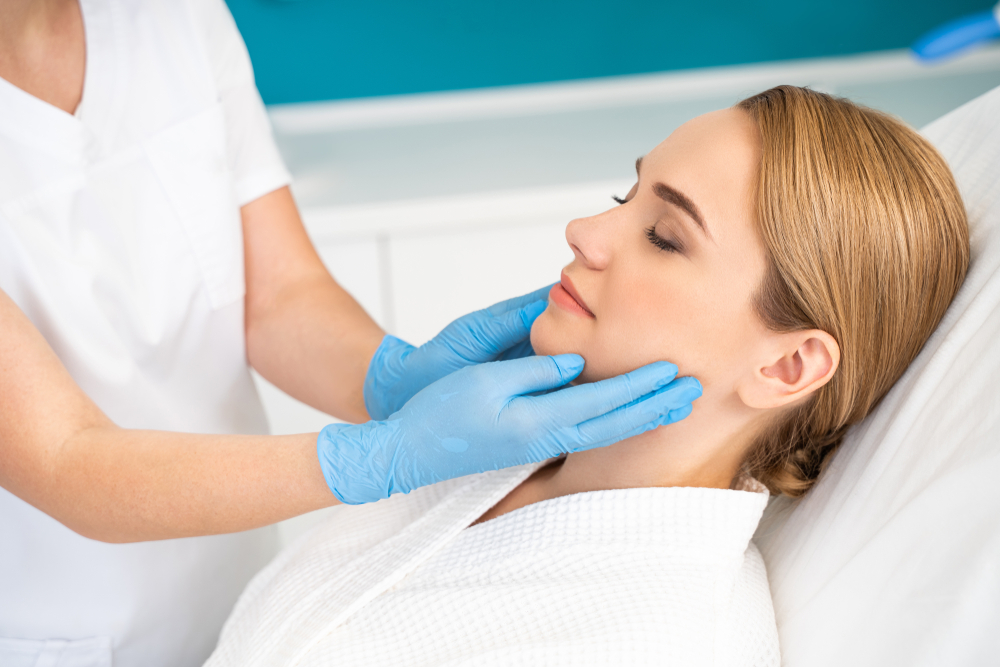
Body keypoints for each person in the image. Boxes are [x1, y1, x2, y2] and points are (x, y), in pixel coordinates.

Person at [0, 1, 698, 666]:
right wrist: (379, 454)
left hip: (246, 602)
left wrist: (391, 378)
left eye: (666, 237)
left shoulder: (176, 15)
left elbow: (278, 297)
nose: (582, 231)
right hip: (60, 632)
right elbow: (66, 459)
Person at [206, 86, 970, 666]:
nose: (585, 231)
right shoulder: (486, 455)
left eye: (665, 237)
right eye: (622, 195)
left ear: (787, 364)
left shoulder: (666, 639)